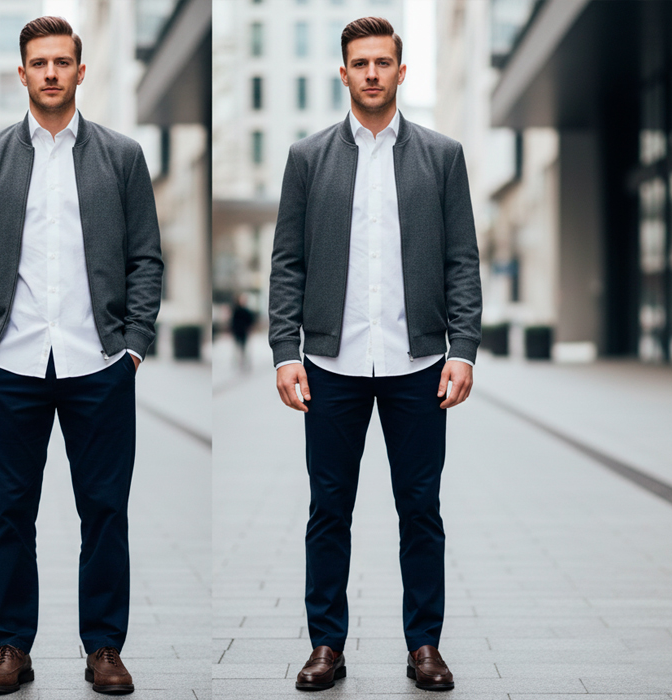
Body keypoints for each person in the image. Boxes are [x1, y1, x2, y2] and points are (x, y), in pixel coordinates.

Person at [0, 16, 163, 696]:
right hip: (8, 364)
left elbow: (145, 258)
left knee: (104, 510)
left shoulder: (121, 157)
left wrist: (133, 346)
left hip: (98, 362)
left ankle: (104, 648)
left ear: (79, 70)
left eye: (60, 62)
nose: (49, 72)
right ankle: (11, 648)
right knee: (10, 512)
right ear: (22, 73)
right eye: (37, 62)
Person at [268, 17, 481, 693]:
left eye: (382, 62)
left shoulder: (441, 156)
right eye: (359, 63)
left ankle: (425, 646)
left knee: (420, 507)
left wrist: (463, 349)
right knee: (329, 509)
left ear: (400, 71)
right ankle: (326, 645)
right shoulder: (308, 158)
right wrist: (284, 350)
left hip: (418, 364)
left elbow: (461, 261)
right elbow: (287, 263)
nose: (370, 73)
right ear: (343, 73)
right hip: (332, 365)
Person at [230, 293, 255, 370]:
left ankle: (243, 359)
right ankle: (239, 360)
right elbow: (233, 321)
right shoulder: (236, 310)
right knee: (238, 346)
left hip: (244, 331)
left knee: (243, 346)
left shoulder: (246, 311)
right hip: (237, 331)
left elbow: (250, 321)